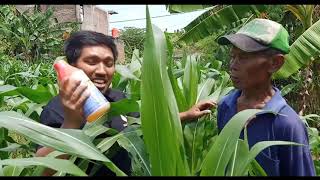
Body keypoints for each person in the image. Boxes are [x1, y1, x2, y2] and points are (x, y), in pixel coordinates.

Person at [36, 30, 215, 176]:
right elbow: (42, 170)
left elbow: (143, 127)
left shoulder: (118, 99)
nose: (101, 71)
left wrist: (186, 115)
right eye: (91, 62)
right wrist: (72, 123)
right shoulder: (57, 109)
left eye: (109, 63)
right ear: (72, 65)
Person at [216, 18, 315, 176]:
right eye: (232, 56)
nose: (233, 65)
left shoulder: (287, 125)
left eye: (243, 57)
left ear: (275, 63)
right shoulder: (225, 107)